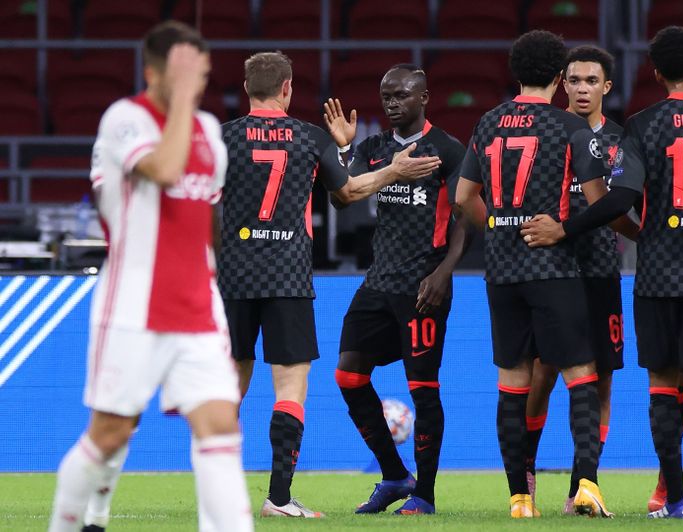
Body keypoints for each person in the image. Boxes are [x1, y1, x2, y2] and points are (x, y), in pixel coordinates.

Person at [520, 25, 683, 520]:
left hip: (659, 274)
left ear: (657, 72)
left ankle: (675, 499)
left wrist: (565, 228)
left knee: (664, 388)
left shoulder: (642, 125)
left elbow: (619, 200)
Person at [50, 21, 253, 532]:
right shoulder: (125, 119)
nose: (197, 86)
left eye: (202, 76)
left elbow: (206, 214)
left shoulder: (210, 130)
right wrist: (181, 98)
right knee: (110, 434)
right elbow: (164, 169)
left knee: (220, 427)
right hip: (132, 306)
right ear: (154, 73)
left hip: (198, 308)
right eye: (187, 75)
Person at [217, 52, 440, 518]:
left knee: (228, 387)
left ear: (247, 87)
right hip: (287, 277)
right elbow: (349, 192)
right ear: (287, 88)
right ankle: (279, 498)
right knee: (289, 387)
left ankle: (217, 495)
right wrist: (394, 171)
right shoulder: (308, 137)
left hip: (234, 277)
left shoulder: (223, 137)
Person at [454, 30, 618, 519]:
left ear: (516, 71)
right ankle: (585, 485)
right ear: (558, 76)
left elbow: (462, 197)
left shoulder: (487, 122)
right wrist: (560, 230)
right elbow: (599, 204)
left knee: (512, 383)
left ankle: (520, 500)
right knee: (581, 375)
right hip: (554, 268)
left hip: (502, 272)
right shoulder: (570, 126)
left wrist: (500, 228)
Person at [327, 64, 469, 516]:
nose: (391, 102)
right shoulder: (373, 149)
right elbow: (340, 196)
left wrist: (445, 271)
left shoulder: (447, 149)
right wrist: (344, 148)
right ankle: (394, 475)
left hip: (423, 286)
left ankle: (424, 493)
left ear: (423, 97)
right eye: (386, 95)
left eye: (401, 95)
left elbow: (465, 218)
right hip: (379, 282)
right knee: (348, 375)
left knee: (423, 389)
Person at [523, 45, 629, 515]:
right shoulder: (546, 131)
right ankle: (525, 471)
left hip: (602, 271)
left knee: (600, 380)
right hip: (551, 271)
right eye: (574, 80)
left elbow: (623, 206)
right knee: (542, 374)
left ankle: (583, 485)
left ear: (606, 87)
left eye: (591, 81)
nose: (582, 89)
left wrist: (647, 237)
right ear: (561, 83)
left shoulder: (621, 143)